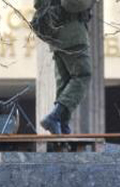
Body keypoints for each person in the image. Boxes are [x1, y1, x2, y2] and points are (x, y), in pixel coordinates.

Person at [33, 0, 93, 134]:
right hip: (73, 35)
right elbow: (73, 3)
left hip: (57, 38)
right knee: (83, 75)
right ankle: (54, 117)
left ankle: (62, 125)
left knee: (65, 82)